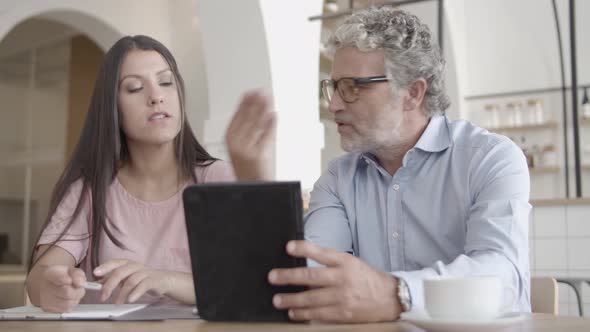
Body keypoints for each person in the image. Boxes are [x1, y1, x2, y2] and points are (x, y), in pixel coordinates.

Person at [227, 6, 531, 323]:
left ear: (412, 93)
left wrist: (397, 294)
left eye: (352, 87)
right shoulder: (337, 178)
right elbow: (308, 275)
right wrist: (256, 184)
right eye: (333, 87)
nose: (333, 105)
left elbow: (502, 275)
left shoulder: (490, 158)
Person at [26, 35, 235, 313]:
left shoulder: (217, 179)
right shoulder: (91, 189)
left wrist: (165, 280)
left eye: (165, 82)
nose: (156, 96)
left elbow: (240, 282)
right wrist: (51, 287)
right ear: (112, 107)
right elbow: (41, 276)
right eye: (135, 88)